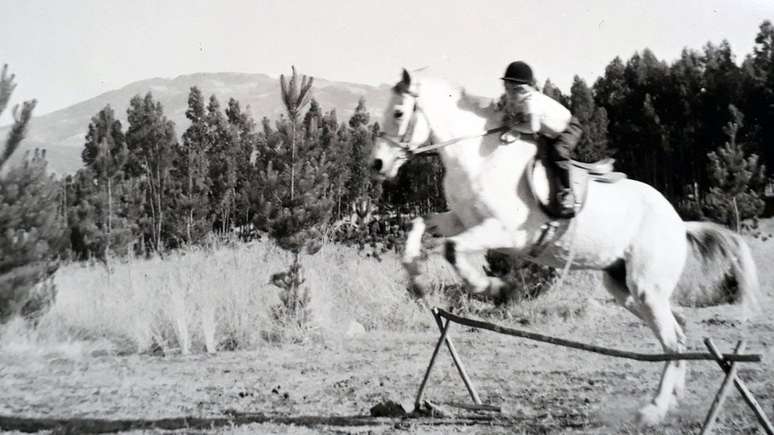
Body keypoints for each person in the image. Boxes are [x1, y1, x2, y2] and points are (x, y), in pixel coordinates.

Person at [500, 60, 583, 218]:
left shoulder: (532, 101)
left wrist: (512, 127)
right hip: (549, 133)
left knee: (559, 153)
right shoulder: (517, 100)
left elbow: (533, 127)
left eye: (513, 90)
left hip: (568, 129)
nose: (509, 94)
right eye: (507, 89)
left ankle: (567, 192)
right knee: (538, 157)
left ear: (523, 89)